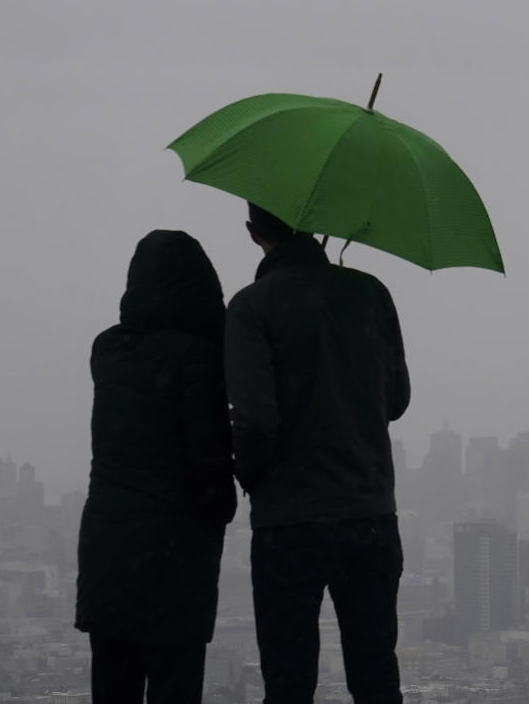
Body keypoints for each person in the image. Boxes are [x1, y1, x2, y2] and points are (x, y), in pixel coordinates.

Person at [227, 203, 410, 704]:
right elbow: (397, 401)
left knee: (288, 683)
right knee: (376, 677)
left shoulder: (251, 307)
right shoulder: (371, 294)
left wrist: (252, 477)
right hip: (369, 513)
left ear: (252, 232)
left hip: (288, 521)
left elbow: (255, 419)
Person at [76, 230, 236, 704]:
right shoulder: (197, 359)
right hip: (176, 560)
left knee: (112, 684)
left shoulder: (107, 350)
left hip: (108, 553)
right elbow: (208, 474)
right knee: (174, 686)